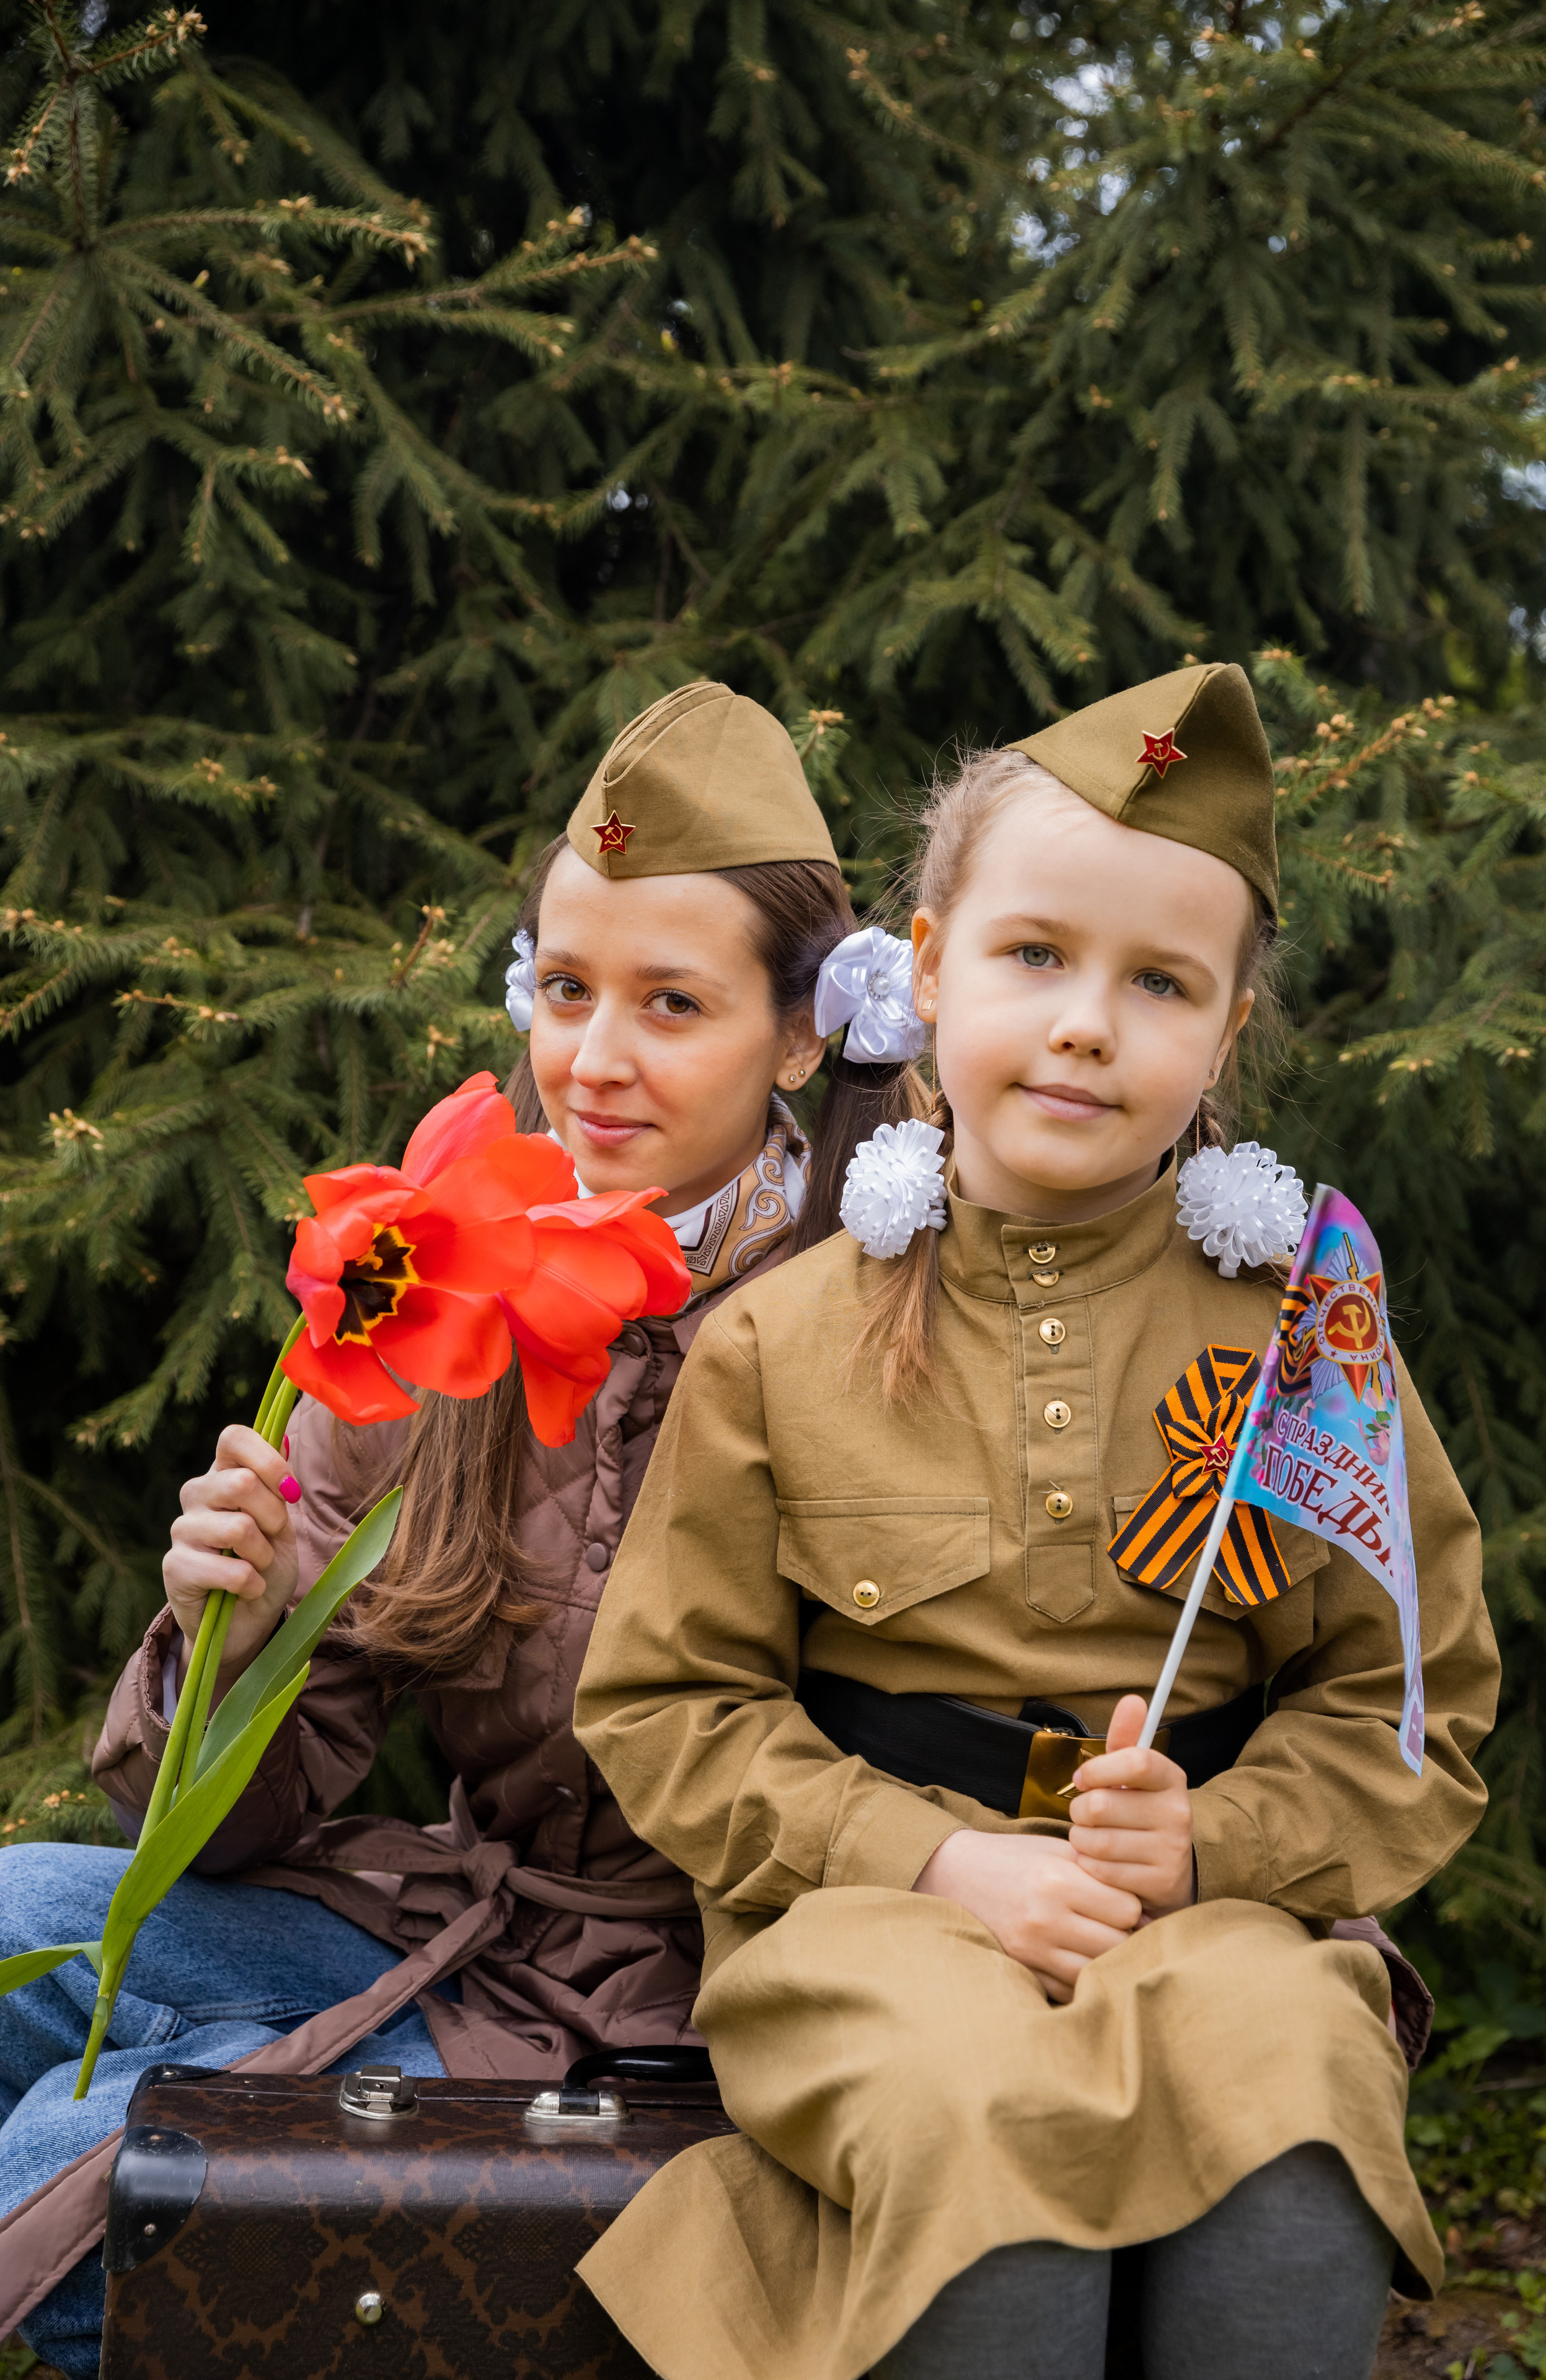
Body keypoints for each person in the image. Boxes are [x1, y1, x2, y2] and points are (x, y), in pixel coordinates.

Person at [571, 663, 1503, 2380]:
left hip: (1203, 1912)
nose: (1088, 1022)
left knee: (1293, 2109)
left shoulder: (1302, 1342)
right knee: (980, 2127)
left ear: (1226, 1032)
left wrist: (1213, 1847)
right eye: (1034, 957)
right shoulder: (784, 1338)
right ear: (928, 969)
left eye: (1159, 983)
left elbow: (1407, 1702)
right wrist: (933, 1862)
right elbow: (667, 1708)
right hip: (872, 1915)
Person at [0, 682, 930, 2373]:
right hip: (454, 1932)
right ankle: (233, 2065)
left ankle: (239, 2105)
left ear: (803, 1035)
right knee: (14, 1930)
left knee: (78, 2170)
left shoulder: (877, 1318)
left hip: (705, 2020)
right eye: (568, 992)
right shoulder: (452, 1270)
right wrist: (248, 1615)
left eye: (672, 1004)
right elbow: (227, 1827)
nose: (595, 1060)